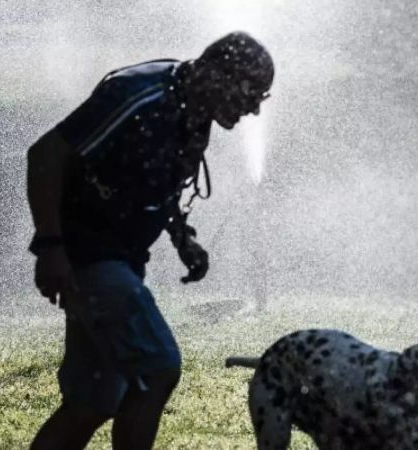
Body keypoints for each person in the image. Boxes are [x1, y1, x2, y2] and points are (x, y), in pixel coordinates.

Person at [26, 31, 273, 450]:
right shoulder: (138, 95)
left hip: (119, 258)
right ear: (215, 73)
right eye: (250, 92)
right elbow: (46, 154)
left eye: (261, 99)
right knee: (158, 366)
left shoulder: (196, 113)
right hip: (89, 254)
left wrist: (181, 237)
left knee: (92, 401)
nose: (252, 108)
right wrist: (50, 247)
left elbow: (155, 181)